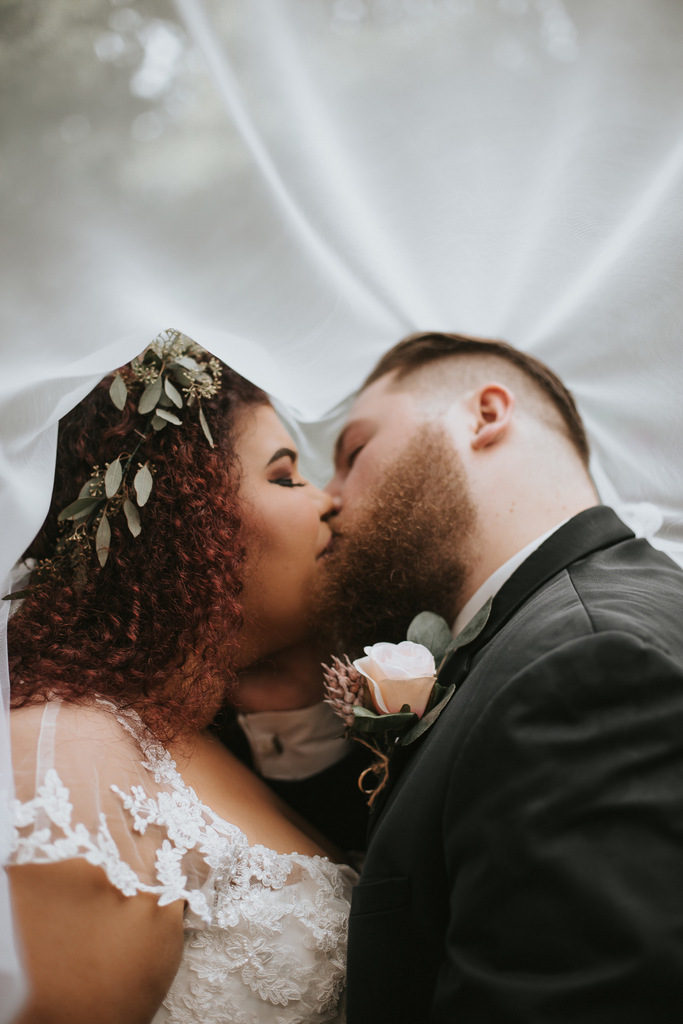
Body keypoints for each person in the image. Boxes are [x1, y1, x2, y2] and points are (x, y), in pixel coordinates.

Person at [314, 331, 683, 1023]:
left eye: (352, 453)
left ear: (484, 415)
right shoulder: (551, 638)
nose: (328, 500)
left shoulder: (588, 661)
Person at [5, 332, 354, 1024]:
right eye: (284, 476)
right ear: (187, 519)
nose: (328, 502)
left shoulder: (198, 733)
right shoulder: (69, 758)